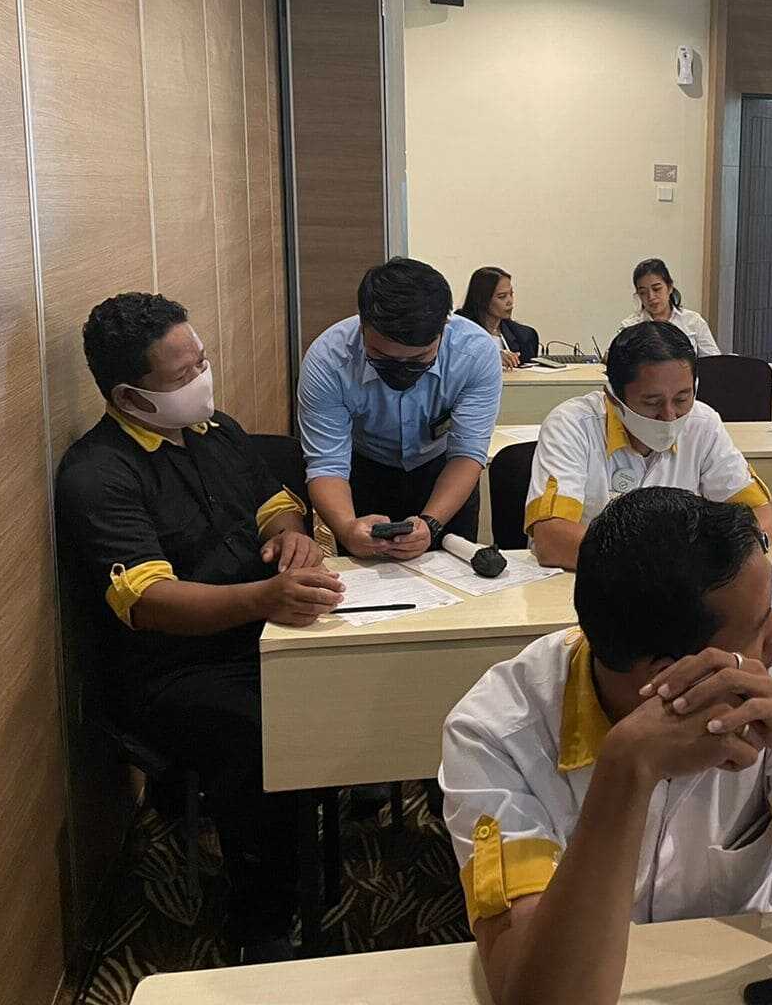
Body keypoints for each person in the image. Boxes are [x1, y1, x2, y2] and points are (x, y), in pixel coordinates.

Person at [440, 489, 772, 1005]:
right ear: (674, 679)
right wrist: (626, 769)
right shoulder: (494, 732)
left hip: (756, 978)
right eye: (760, 628)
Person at [56, 293, 342, 960]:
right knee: (264, 729)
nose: (202, 380)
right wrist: (262, 598)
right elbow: (151, 602)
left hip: (256, 632)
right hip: (171, 670)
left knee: (336, 678)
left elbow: (274, 504)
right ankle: (260, 928)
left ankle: (316, 859)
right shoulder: (98, 474)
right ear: (129, 395)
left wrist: (292, 536)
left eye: (202, 361)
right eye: (183, 375)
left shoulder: (216, 432)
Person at [526, 321, 772, 570]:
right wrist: (660, 564)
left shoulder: (703, 423)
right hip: (587, 583)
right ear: (613, 397)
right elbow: (551, 539)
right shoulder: (572, 425)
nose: (669, 416)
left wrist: (747, 547)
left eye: (682, 399)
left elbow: (760, 514)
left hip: (681, 583)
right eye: (651, 402)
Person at [298, 257, 501, 560]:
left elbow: (467, 453)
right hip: (366, 469)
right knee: (366, 571)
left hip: (444, 469)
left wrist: (431, 524)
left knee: (453, 574)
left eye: (418, 358)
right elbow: (326, 464)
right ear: (362, 325)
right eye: (381, 356)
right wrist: (347, 529)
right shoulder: (328, 360)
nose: (401, 368)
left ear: (443, 329)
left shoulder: (475, 353)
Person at [619, 256, 720, 358]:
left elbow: (713, 361)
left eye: (657, 289)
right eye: (643, 292)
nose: (651, 297)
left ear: (670, 287)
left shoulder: (693, 321)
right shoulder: (629, 327)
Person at [457, 266, 539, 369]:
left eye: (511, 294)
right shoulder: (459, 332)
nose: (510, 301)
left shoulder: (523, 336)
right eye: (502, 296)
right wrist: (491, 358)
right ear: (482, 299)